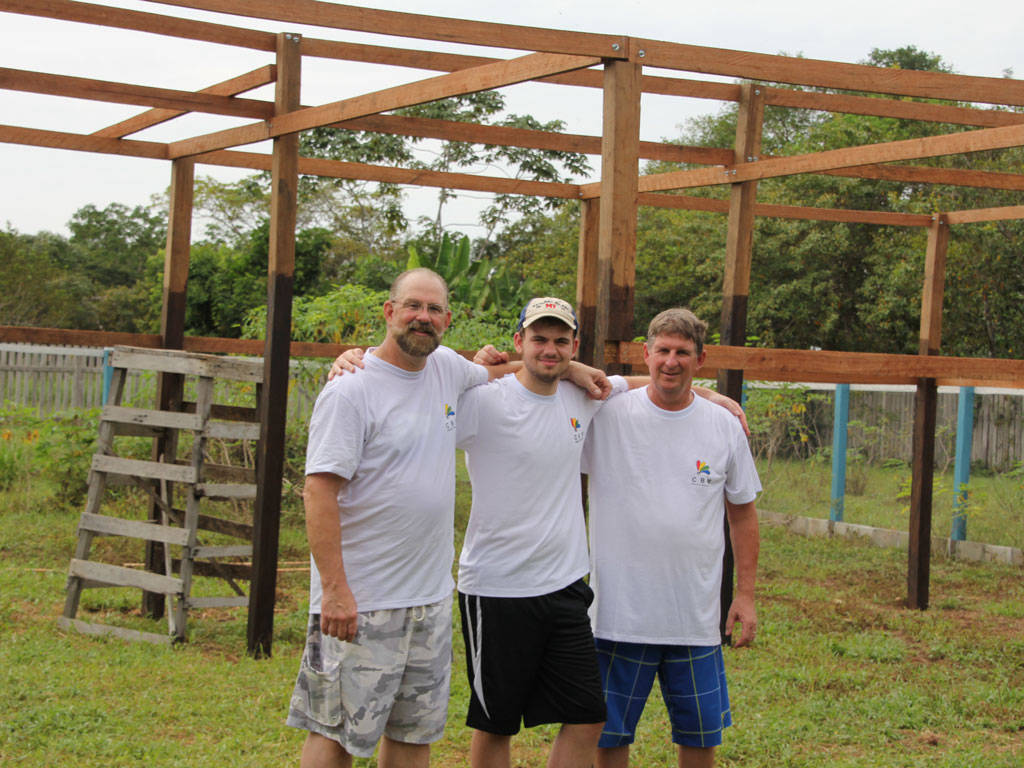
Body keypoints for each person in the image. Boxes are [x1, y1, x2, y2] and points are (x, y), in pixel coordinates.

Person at [291, 274, 607, 768]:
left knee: (414, 732)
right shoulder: (351, 388)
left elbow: (521, 369)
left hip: (430, 594)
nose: (423, 317)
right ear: (388, 311)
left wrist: (576, 369)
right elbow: (318, 490)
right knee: (337, 732)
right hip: (363, 597)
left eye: (434, 309)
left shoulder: (446, 370)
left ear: (447, 320)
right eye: (413, 306)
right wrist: (334, 589)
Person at [581, 308, 761, 768]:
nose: (671, 361)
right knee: (608, 736)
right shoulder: (606, 415)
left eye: (683, 352)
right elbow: (547, 379)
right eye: (662, 350)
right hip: (618, 613)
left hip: (695, 617)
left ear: (702, 359)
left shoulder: (723, 426)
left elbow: (742, 515)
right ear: (646, 353)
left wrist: (744, 596)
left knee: (700, 736)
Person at [454, 297, 629, 768]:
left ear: (575, 345)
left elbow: (646, 384)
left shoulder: (582, 396)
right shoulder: (482, 401)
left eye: (560, 341)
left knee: (589, 715)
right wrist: (353, 361)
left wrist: (710, 396)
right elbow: (417, 386)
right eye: (538, 339)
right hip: (497, 588)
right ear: (519, 342)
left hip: (566, 585)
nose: (549, 350)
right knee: (495, 723)